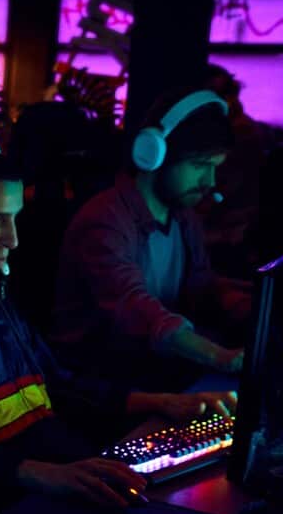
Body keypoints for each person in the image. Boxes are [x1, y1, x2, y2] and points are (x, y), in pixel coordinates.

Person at [0, 134, 238, 514]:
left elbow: (56, 384)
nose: (13, 239)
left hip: (47, 482)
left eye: (14, 219)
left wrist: (158, 403)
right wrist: (44, 474)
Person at [52, 88, 254, 392]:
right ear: (154, 153)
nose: (209, 182)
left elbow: (201, 287)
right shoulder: (105, 221)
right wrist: (221, 357)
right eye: (200, 165)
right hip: (100, 388)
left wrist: (247, 307)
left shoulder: (184, 217)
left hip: (154, 374)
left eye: (214, 167)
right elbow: (137, 308)